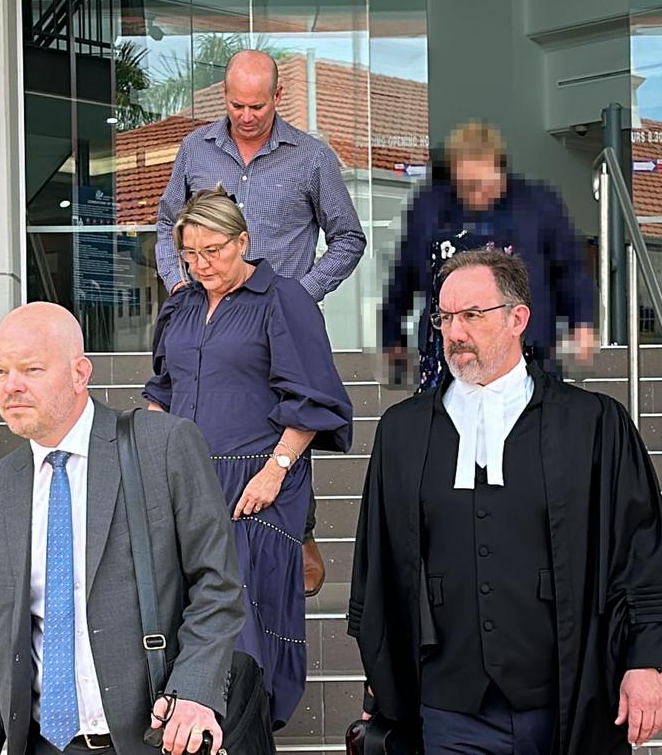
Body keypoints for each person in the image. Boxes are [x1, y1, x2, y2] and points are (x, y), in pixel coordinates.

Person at [350, 249, 662, 754]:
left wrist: (646, 661)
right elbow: (377, 568)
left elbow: (642, 553)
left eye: (472, 315)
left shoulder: (594, 425)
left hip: (567, 700)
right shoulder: (403, 432)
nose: (454, 332)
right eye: (445, 317)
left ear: (519, 318)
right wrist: (379, 679)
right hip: (448, 707)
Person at [0, 303, 244, 755]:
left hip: (152, 738)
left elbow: (218, 584)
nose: (11, 386)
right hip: (43, 743)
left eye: (30, 369)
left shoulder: (163, 445)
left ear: (79, 372)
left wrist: (193, 690)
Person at [156, 48, 366, 595]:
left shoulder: (312, 158)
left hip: (279, 315)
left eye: (256, 105)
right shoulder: (194, 149)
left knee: (293, 405)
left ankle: (300, 531)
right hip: (213, 307)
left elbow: (348, 237)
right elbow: (164, 225)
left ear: (277, 98)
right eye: (236, 104)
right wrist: (180, 282)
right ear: (223, 96)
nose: (246, 115)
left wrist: (299, 294)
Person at [144, 187, 353, 729]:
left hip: (255, 482)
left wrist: (273, 473)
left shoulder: (283, 299)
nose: (200, 264)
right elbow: (162, 388)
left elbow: (311, 399)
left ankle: (249, 729)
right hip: (186, 479)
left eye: (212, 250)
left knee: (247, 620)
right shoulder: (181, 304)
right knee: (189, 608)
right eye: (189, 254)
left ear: (244, 241)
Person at [382, 121, 595, 391]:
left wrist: (582, 323)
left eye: (484, 183)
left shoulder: (538, 204)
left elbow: (570, 269)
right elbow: (405, 274)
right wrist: (392, 336)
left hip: (529, 347)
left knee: (536, 425)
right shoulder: (430, 208)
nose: (477, 192)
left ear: (500, 172)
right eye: (467, 185)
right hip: (448, 352)